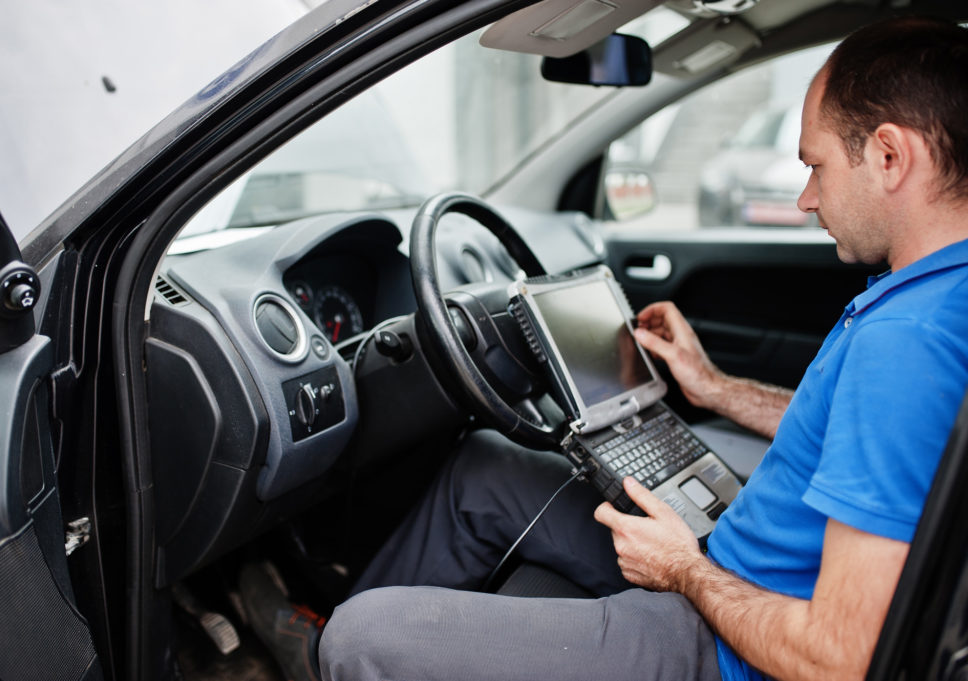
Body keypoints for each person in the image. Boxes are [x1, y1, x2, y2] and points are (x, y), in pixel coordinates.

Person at [316, 15, 968, 681]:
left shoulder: (908, 343)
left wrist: (683, 569)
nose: (806, 197)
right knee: (482, 469)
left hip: (723, 646)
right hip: (730, 562)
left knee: (360, 638)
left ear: (890, 156)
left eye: (815, 165)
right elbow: (855, 434)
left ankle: (323, 657)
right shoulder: (937, 292)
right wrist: (712, 386)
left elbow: (842, 661)